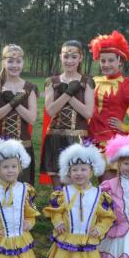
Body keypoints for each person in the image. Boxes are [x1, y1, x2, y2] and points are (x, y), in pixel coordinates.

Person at [42, 142, 115, 258]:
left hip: (87, 243)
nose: (79, 173)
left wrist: (100, 229)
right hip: (67, 241)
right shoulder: (62, 193)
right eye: (75, 170)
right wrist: (58, 222)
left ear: (92, 170)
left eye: (83, 169)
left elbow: (107, 217)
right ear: (68, 172)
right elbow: (55, 211)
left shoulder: (99, 195)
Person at [87, 31, 129, 178]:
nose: (106, 64)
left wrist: (127, 127)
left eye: (111, 61)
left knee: (109, 185)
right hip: (90, 137)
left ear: (120, 62)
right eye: (103, 61)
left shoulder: (126, 84)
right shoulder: (94, 81)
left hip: (110, 140)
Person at [40, 40, 95, 187]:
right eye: (66, 56)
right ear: (60, 57)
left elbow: (88, 113)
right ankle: (59, 210)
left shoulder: (87, 81)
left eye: (74, 57)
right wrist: (68, 92)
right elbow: (51, 110)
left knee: (78, 185)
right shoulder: (51, 81)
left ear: (80, 58)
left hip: (78, 138)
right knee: (58, 189)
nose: (69, 61)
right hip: (55, 137)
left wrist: (69, 95)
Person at [0, 44, 38, 185]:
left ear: (23, 63)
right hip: (0, 146)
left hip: (23, 144)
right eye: (10, 61)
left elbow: (32, 119)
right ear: (3, 62)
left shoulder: (30, 88)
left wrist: (15, 102)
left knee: (22, 185)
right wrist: (10, 103)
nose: (14, 65)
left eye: (18, 61)